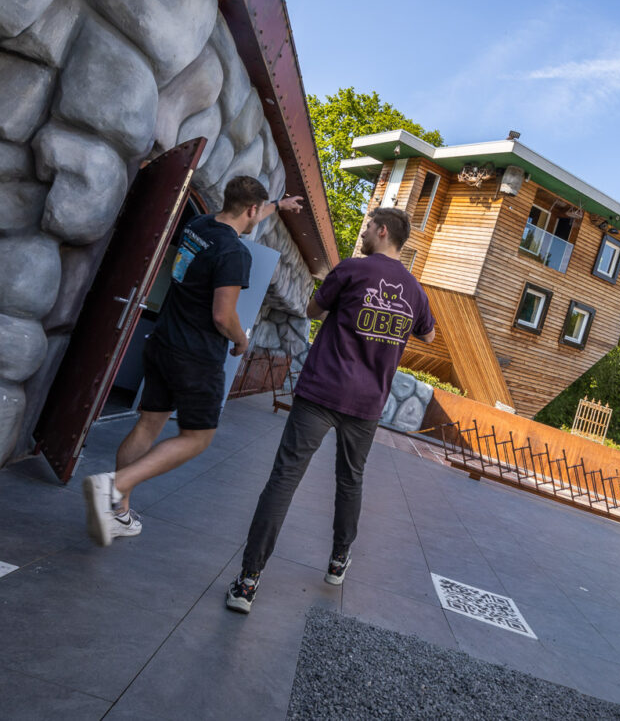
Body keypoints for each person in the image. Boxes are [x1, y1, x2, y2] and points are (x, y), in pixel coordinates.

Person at [226, 206, 435, 613]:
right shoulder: (414, 291)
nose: (362, 234)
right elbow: (428, 335)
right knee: (350, 481)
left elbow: (311, 311)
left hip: (322, 392)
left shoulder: (352, 270)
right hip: (367, 404)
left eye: (366, 228)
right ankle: (339, 560)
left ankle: (248, 582)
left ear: (383, 230)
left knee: (284, 480)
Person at [82, 175, 303, 547]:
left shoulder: (198, 225)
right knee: (197, 437)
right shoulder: (235, 253)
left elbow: (250, 212)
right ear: (251, 210)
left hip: (164, 343)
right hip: (196, 358)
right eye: (258, 211)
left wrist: (278, 206)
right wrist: (241, 339)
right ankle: (113, 488)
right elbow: (223, 315)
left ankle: (117, 512)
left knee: (148, 425)